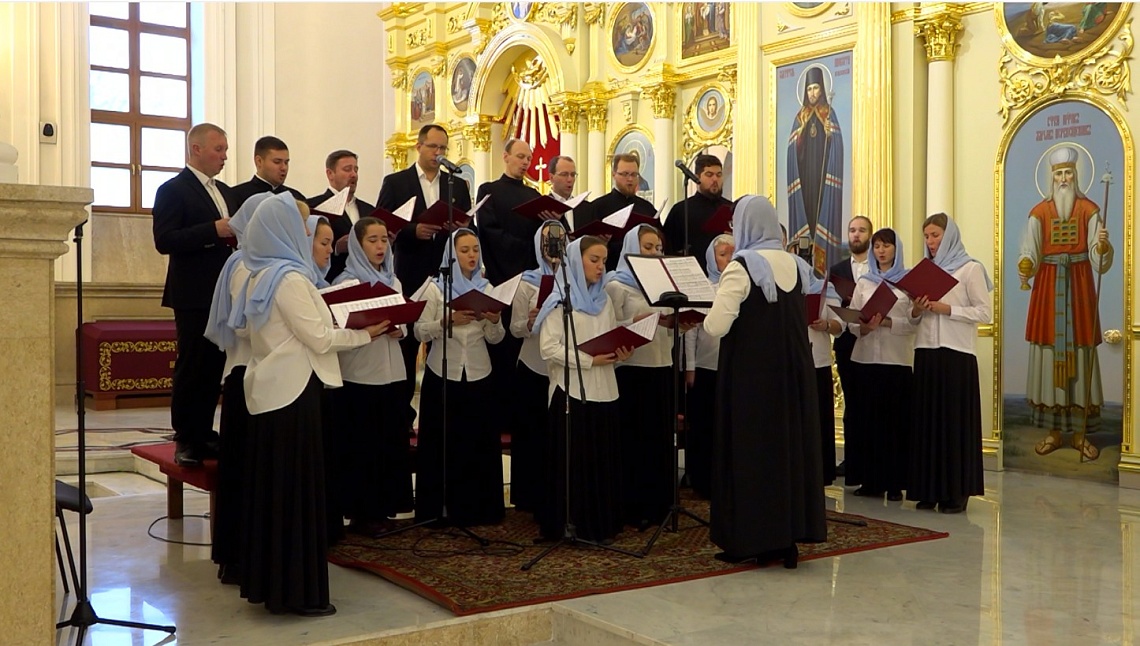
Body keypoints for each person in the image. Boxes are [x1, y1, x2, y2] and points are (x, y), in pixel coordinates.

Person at [234, 193, 385, 617]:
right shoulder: (291, 280)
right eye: (301, 228)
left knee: (279, 496)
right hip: (295, 393)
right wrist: (366, 334)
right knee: (296, 497)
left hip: (273, 391)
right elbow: (319, 338)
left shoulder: (260, 274)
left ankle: (275, 584)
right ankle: (297, 592)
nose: (308, 236)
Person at [702, 194, 826, 568]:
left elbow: (716, 325)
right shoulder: (795, 264)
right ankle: (786, 541)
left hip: (752, 378)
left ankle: (751, 540)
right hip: (793, 374)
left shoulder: (742, 266)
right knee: (788, 451)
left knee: (752, 452)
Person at [534, 236, 632, 543]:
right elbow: (549, 347)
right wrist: (589, 360)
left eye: (604, 260)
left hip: (605, 389)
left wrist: (621, 353)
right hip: (572, 391)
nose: (601, 267)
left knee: (601, 460)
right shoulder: (560, 300)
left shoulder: (604, 301)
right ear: (576, 261)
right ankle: (571, 522)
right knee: (575, 462)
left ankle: (600, 523)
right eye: (594, 260)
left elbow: (610, 338)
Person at [1017, 145, 1111, 461]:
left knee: (1081, 354)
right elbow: (1029, 249)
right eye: (1058, 173)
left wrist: (1101, 246)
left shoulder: (1090, 210)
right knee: (1047, 356)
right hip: (1047, 286)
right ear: (1051, 177)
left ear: (1076, 174)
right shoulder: (1038, 213)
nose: (1063, 178)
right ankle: (1055, 432)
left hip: (1079, 285)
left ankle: (1081, 434)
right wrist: (1027, 263)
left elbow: (1099, 259)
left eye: (1068, 172)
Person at [378, 124, 474, 430]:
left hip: (447, 271)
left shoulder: (455, 185)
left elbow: (467, 225)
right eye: (433, 147)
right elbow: (381, 222)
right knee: (408, 343)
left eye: (443, 148)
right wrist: (413, 230)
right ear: (418, 147)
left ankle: (441, 414)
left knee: (444, 340)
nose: (438, 153)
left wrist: (457, 227)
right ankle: (403, 415)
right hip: (411, 270)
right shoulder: (397, 181)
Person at [152, 122, 235, 466]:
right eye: (219, 149)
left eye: (226, 150)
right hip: (193, 292)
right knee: (192, 365)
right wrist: (213, 231)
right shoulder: (173, 189)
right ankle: (186, 437)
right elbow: (165, 240)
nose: (224, 156)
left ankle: (204, 433)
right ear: (196, 149)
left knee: (214, 365)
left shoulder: (225, 191)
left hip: (224, 291)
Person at [413, 229, 507, 527]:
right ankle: (440, 509)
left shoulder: (488, 287)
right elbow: (418, 331)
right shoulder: (436, 289)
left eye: (475, 249)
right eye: (465, 250)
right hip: (444, 373)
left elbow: (496, 338)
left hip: (480, 372)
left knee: (477, 443)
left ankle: (478, 509)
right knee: (444, 442)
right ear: (452, 255)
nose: (471, 255)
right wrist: (445, 321)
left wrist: (493, 321)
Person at [203, 191, 273, 585]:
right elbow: (248, 323)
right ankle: (241, 555)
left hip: (248, 372)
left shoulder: (250, 263)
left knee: (244, 472)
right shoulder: (247, 265)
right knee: (245, 472)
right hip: (249, 372)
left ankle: (238, 555)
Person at [329, 217, 413, 536]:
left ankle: (384, 508)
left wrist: (399, 327)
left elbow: (405, 325)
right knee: (362, 447)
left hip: (391, 371)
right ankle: (363, 513)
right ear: (357, 244)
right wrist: (368, 329)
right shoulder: (347, 284)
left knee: (388, 444)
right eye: (373, 240)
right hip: (360, 375)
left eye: (384, 240)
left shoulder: (393, 280)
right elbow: (340, 331)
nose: (380, 246)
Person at [908, 213, 993, 514]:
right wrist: (917, 310)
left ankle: (955, 492)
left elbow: (985, 313)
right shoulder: (923, 270)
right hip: (927, 351)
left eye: (935, 236)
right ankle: (927, 489)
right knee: (927, 422)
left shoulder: (970, 269)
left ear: (950, 236)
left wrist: (948, 308)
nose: (930, 242)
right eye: (927, 237)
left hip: (957, 353)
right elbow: (910, 317)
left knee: (953, 424)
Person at [605, 224, 684, 530]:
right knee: (635, 440)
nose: (653, 253)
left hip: (662, 365)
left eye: (657, 248)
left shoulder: (664, 284)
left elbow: (666, 323)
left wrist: (679, 322)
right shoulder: (616, 285)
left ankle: (659, 504)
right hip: (632, 370)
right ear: (630, 248)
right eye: (647, 247)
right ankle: (633, 506)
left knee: (659, 440)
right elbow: (609, 327)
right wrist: (633, 320)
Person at [845, 228, 915, 501]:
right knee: (868, 422)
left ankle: (895, 483)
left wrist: (886, 322)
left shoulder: (909, 282)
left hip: (895, 360)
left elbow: (914, 323)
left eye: (886, 246)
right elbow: (852, 319)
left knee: (895, 424)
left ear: (896, 249)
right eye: (877, 247)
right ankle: (871, 481)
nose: (881, 251)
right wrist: (862, 326)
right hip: (865, 359)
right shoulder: (864, 281)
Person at [509, 220, 565, 513]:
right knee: (533, 434)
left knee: (558, 434)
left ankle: (558, 493)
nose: (553, 246)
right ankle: (530, 496)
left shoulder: (572, 280)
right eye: (547, 241)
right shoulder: (527, 281)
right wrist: (530, 320)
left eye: (558, 240)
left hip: (563, 365)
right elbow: (515, 328)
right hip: (532, 365)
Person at [683, 234, 734, 499]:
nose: (729, 259)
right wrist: (689, 366)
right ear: (712, 258)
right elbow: (690, 331)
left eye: (733, 253)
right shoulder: (701, 287)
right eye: (723, 254)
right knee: (703, 425)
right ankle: (700, 478)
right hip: (704, 366)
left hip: (733, 369)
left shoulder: (741, 286)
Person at [787, 65, 844, 277]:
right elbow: (792, 149)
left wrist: (830, 136)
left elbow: (837, 146)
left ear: (822, 89)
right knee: (807, 212)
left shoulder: (829, 114)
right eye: (809, 89)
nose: (812, 93)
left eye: (816, 88)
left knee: (820, 213)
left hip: (821, 175)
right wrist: (799, 138)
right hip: (805, 178)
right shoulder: (799, 117)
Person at [828, 215, 872, 479]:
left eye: (862, 230)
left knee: (873, 402)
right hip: (847, 341)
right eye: (852, 230)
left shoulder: (879, 268)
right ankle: (851, 460)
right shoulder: (837, 269)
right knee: (852, 403)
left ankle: (873, 459)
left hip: (876, 339)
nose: (856, 235)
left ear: (871, 235)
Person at [307, 149, 376, 283]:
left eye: (356, 170)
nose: (353, 175)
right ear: (330, 174)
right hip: (330, 279)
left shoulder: (369, 210)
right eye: (347, 169)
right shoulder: (313, 206)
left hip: (367, 281)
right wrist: (337, 248)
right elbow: (306, 248)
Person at [805, 264, 843, 488]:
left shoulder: (823, 289)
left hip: (818, 360)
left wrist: (826, 324)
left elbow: (840, 326)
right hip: (791, 361)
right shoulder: (781, 287)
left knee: (819, 417)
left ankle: (821, 472)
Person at [586, 153, 657, 271]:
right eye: (625, 174)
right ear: (614, 174)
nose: (630, 179)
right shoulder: (598, 206)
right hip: (610, 270)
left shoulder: (647, 208)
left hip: (645, 269)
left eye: (634, 175)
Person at [663, 154, 732, 268]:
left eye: (719, 175)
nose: (715, 179)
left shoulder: (731, 208)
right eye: (709, 175)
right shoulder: (681, 210)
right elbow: (669, 248)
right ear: (697, 177)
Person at [230, 136, 306, 209]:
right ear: (259, 161)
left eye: (286, 162)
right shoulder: (235, 196)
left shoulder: (295, 197)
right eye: (277, 162)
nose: (284, 168)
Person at [548, 155, 593, 230]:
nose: (570, 179)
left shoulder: (585, 208)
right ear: (551, 178)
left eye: (573, 175)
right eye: (564, 174)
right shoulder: (545, 208)